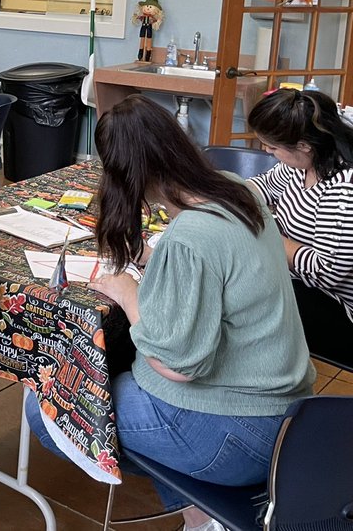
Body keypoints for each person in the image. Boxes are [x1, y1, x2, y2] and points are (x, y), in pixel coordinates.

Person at [24, 95, 313, 531]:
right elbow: (220, 267)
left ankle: (205, 506)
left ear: (127, 174)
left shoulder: (189, 238)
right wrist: (152, 261)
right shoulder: (238, 190)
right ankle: (202, 516)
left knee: (46, 407)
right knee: (116, 380)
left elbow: (178, 367)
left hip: (239, 433)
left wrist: (128, 294)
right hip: (292, 415)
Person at [247, 88, 353, 367]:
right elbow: (264, 186)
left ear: (304, 145)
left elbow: (325, 271)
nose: (266, 152)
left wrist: (268, 234)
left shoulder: (343, 190)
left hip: (340, 310)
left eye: (271, 147)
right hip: (303, 284)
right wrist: (226, 194)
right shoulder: (303, 163)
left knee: (250, 299)